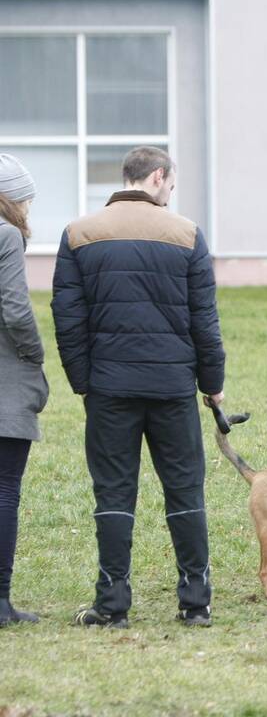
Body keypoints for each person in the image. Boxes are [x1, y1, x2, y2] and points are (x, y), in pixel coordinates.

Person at [52, 146, 226, 628]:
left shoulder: (78, 233)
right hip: (173, 386)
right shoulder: (187, 234)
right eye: (171, 184)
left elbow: (68, 319)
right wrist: (212, 384)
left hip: (109, 387)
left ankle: (111, 605)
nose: (171, 192)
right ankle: (196, 603)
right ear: (156, 177)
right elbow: (204, 322)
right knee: (185, 491)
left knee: (112, 494)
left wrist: (84, 381)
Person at [0, 154, 47, 626]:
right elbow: (15, 311)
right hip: (4, 387)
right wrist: (35, 355)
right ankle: (0, 602)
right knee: (3, 490)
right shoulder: (6, 235)